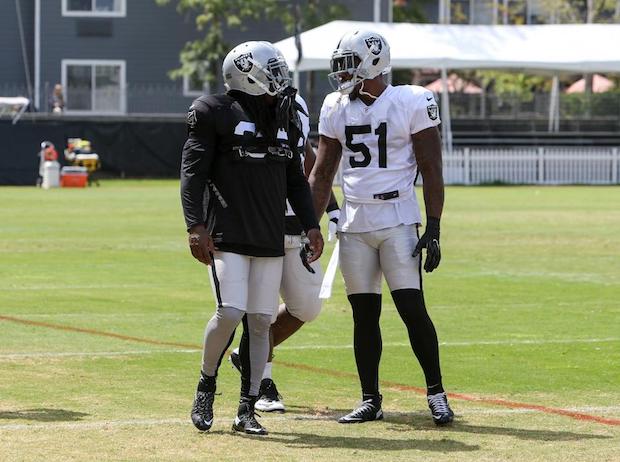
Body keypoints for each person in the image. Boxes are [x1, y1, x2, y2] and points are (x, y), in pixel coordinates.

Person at [308, 30, 454, 425]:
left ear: (373, 62)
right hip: (355, 222)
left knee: (411, 308)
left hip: (398, 219)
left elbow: (431, 168)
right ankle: (370, 399)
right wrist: (309, 224)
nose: (341, 73)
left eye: (348, 63)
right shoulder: (335, 106)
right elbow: (322, 174)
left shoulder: (410, 100)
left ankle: (436, 393)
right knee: (363, 314)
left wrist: (435, 225)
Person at [180, 40, 323, 436]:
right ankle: (206, 385)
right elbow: (192, 172)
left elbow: (295, 177)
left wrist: (311, 223)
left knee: (260, 322)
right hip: (227, 230)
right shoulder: (212, 110)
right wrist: (195, 226)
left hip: (269, 232)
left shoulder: (284, 114)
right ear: (245, 72)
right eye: (271, 70)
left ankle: (247, 409)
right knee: (230, 311)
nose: (279, 78)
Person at [228, 109, 341, 413]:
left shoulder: (294, 106)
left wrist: (331, 206)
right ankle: (263, 384)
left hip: (295, 225)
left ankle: (246, 354)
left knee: (307, 305)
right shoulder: (236, 110)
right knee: (259, 312)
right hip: (257, 224)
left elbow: (305, 159)